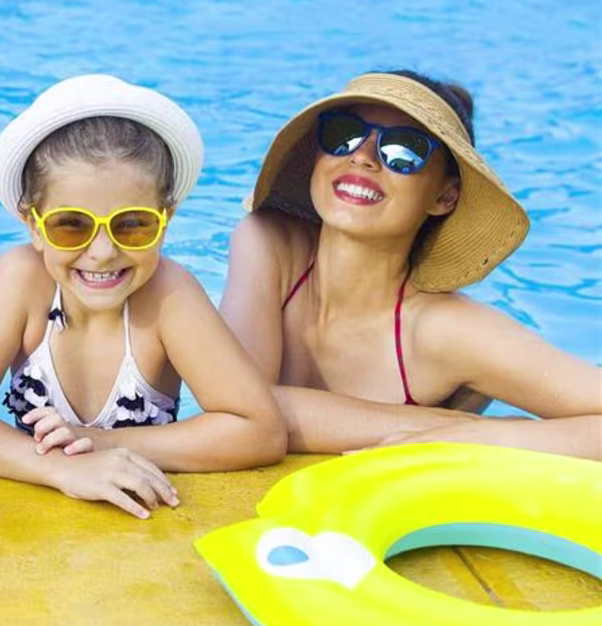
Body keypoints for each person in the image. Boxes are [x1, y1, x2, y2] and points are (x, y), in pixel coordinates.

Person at [0, 75, 286, 519]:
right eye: (70, 224)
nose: (102, 252)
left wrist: (103, 443)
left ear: (166, 220)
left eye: (132, 224)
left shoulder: (169, 295)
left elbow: (259, 431)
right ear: (33, 225)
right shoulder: (20, 281)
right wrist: (61, 468)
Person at [221, 70, 601, 460]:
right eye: (343, 134)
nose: (363, 157)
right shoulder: (267, 242)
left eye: (404, 152)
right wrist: (445, 425)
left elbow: (251, 409)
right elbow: (235, 404)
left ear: (444, 197)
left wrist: (479, 440)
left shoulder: (446, 331)